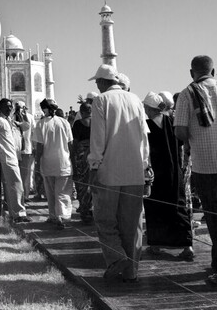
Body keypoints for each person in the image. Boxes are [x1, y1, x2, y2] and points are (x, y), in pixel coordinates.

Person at [174, 55, 217, 290]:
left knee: (216, 220)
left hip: (205, 164)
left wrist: (195, 134)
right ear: (213, 70)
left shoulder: (188, 93)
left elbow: (180, 131)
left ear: (191, 71)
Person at [87, 64, 150, 283]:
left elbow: (98, 139)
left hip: (109, 171)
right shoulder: (135, 100)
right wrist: (144, 166)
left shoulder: (101, 100)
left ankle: (116, 258)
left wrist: (94, 167)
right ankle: (131, 271)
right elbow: (144, 138)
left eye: (97, 81)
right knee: (132, 224)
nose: (96, 84)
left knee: (105, 220)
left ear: (103, 82)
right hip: (135, 172)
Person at [143, 92, 194, 259]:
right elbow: (181, 142)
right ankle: (187, 245)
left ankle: (156, 244)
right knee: (178, 207)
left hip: (156, 174)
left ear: (149, 108)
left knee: (155, 208)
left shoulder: (146, 125)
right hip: (174, 172)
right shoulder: (171, 122)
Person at [34, 99, 74, 230]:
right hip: (63, 162)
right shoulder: (64, 122)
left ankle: (54, 216)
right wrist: (72, 159)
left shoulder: (41, 124)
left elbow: (39, 146)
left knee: (50, 191)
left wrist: (37, 162)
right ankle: (62, 216)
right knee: (63, 192)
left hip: (48, 162)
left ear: (44, 109)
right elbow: (70, 143)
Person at [0, 98, 31, 223]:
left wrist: (22, 114)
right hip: (8, 156)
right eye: (7, 106)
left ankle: (11, 209)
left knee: (11, 184)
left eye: (11, 106)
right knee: (16, 184)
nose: (10, 108)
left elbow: (26, 126)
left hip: (14, 155)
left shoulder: (11, 121)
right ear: (0, 108)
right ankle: (19, 213)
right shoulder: (0, 121)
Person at [71, 101, 94, 224]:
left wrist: (73, 157)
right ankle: (94, 211)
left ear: (81, 112)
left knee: (83, 184)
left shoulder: (78, 124)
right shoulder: (97, 123)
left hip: (82, 157)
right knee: (95, 183)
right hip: (96, 156)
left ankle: (85, 211)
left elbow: (75, 142)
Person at [14, 101, 35, 202]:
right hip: (23, 150)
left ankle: (23, 195)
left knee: (24, 175)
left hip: (23, 149)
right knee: (24, 175)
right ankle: (22, 195)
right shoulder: (13, 118)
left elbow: (33, 132)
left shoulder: (28, 118)